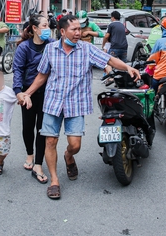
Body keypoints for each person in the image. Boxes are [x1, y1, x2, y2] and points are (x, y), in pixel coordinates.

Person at [21, 15, 140, 200]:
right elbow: (42, 76)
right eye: (74, 30)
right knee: (50, 142)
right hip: (52, 102)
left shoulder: (86, 49)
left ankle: (69, 156)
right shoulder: (50, 50)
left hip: (75, 104)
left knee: (75, 144)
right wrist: (27, 93)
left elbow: (109, 60)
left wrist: (128, 68)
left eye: (79, 29)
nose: (79, 33)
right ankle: (54, 180)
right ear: (62, 31)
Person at [13, 14, 54, 184]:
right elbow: (17, 70)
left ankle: (38, 163)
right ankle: (30, 154)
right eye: (44, 26)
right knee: (28, 127)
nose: (48, 29)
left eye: (48, 25)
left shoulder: (52, 45)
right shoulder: (24, 47)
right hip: (27, 92)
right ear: (35, 28)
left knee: (42, 129)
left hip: (47, 92)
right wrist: (18, 92)